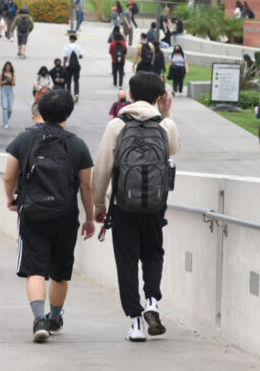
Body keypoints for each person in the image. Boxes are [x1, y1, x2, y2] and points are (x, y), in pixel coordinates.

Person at [92, 72, 181, 342]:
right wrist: (167, 114)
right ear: (158, 97)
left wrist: (98, 204)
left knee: (126, 261)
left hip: (123, 205)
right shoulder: (165, 126)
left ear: (130, 95)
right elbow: (174, 150)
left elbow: (103, 169)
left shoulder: (117, 125)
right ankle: (152, 299)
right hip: (155, 206)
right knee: (153, 252)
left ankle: (135, 322)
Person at [3, 90, 95, 342]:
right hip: (65, 215)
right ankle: (54, 318)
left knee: (34, 269)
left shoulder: (25, 139)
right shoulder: (77, 144)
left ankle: (38, 319)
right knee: (60, 271)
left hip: (32, 212)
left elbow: (9, 176)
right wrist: (90, 217)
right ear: (68, 113)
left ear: (40, 111)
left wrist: (11, 197)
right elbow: (86, 186)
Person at [63, 34, 83, 102]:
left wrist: (64, 66)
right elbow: (81, 56)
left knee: (68, 81)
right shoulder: (78, 47)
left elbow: (65, 57)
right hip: (77, 66)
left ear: (70, 39)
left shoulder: (66, 47)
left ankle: (68, 95)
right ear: (75, 39)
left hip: (68, 66)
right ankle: (76, 94)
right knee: (76, 81)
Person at [0, 61, 16, 129]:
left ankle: (6, 119)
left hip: (10, 90)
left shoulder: (13, 74)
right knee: (5, 107)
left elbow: (14, 84)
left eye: (9, 67)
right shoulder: (2, 74)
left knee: (10, 109)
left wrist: (10, 81)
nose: (8, 68)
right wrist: (5, 81)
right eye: (7, 66)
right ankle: (5, 122)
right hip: (4, 90)